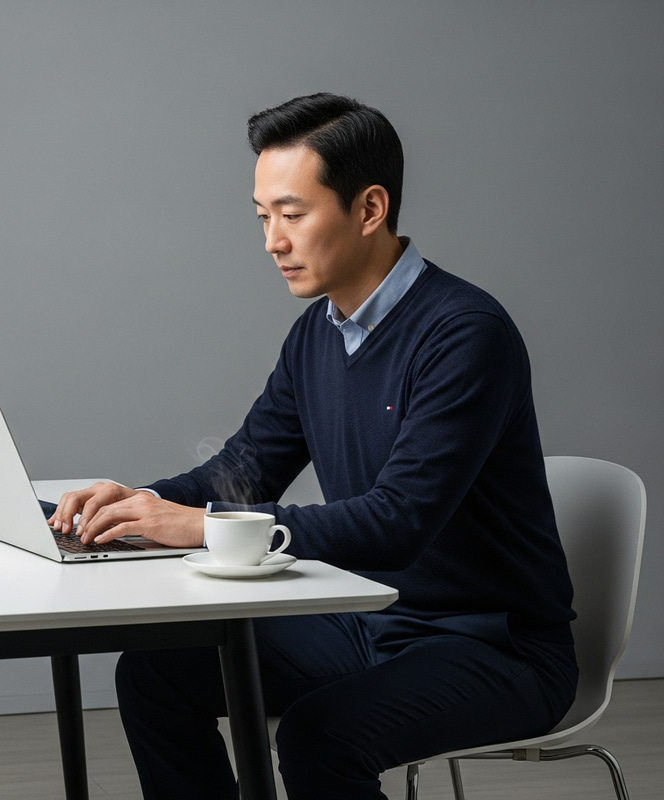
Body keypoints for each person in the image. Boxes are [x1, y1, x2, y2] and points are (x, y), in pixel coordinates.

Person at [50, 93, 578, 800]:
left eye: (293, 215)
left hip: (493, 647)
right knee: (155, 673)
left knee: (318, 734)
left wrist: (200, 528)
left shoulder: (465, 334)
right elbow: (240, 470)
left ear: (368, 209)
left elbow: (398, 523)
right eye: (264, 217)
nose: (272, 240)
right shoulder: (317, 333)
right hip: (374, 619)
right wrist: (135, 503)